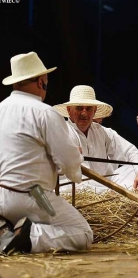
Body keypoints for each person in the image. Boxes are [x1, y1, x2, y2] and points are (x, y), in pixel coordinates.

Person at [0, 52, 93, 254]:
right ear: (41, 82)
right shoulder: (45, 113)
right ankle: (26, 237)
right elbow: (68, 163)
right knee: (83, 233)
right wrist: (75, 158)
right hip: (33, 196)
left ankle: (6, 227)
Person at [53, 85, 138, 192]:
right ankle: (116, 194)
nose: (84, 113)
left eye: (89, 108)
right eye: (79, 108)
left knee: (133, 169)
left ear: (94, 111)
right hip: (77, 188)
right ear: (69, 111)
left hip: (106, 186)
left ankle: (115, 193)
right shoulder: (63, 132)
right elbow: (80, 175)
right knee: (78, 186)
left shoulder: (102, 131)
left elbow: (129, 151)